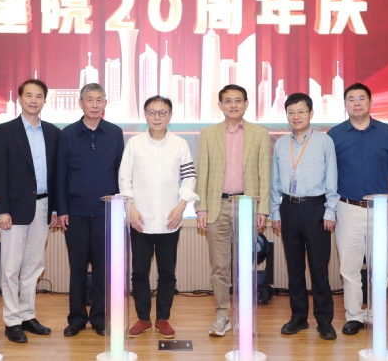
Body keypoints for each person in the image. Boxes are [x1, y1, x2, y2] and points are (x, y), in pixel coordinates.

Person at [327, 82, 388, 336]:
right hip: (347, 207)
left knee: (381, 268)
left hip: (381, 207)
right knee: (349, 268)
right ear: (345, 104)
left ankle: (376, 314)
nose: (357, 103)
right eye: (351, 99)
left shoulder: (386, 132)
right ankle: (354, 316)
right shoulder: (334, 135)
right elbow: (329, 175)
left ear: (370, 102)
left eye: (361, 98)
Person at [119, 95, 199, 339]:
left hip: (169, 220)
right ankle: (143, 319)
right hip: (140, 220)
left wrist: (182, 206)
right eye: (152, 112)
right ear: (145, 115)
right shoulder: (134, 144)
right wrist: (130, 208)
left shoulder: (180, 145)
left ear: (170, 116)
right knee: (139, 273)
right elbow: (124, 178)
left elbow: (189, 177)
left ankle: (163, 318)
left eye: (162, 112)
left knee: (167, 274)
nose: (157, 117)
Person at [196, 84, 271, 337]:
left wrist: (263, 209)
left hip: (247, 205)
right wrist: (201, 208)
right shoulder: (208, 134)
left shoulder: (260, 134)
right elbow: (203, 173)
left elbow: (264, 174)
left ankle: (245, 315)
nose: (233, 105)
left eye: (238, 100)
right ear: (220, 105)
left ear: (246, 104)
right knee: (220, 267)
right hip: (216, 207)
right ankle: (222, 316)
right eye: (228, 101)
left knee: (245, 266)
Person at [0, 79, 60, 343]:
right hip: (14, 209)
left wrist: (56, 207)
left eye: (38, 96)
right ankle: (12, 320)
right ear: (20, 99)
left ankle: (27, 314)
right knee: (11, 267)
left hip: (43, 206)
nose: (33, 100)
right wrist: (2, 209)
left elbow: (56, 175)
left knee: (34, 265)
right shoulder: (4, 132)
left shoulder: (53, 133)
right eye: (29, 95)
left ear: (44, 100)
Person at [55, 83, 125, 337]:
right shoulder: (68, 134)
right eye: (90, 100)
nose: (95, 105)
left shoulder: (115, 133)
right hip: (75, 212)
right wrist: (61, 209)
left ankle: (99, 318)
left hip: (106, 213)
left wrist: (119, 206)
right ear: (81, 103)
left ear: (105, 103)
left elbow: (121, 172)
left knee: (103, 270)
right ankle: (76, 319)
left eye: (99, 100)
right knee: (77, 268)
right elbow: (60, 175)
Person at [270, 93, 339, 340]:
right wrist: (275, 210)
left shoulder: (324, 141)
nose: (296, 116)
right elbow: (275, 180)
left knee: (319, 268)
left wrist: (330, 210)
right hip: (289, 208)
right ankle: (298, 317)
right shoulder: (280, 144)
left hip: (316, 209)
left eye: (301, 111)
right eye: (291, 112)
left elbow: (332, 177)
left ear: (311, 113)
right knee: (295, 267)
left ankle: (324, 321)